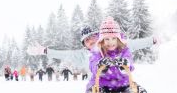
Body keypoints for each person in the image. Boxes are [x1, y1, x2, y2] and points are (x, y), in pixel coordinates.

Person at [75, 17, 166, 93]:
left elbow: (130, 62)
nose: (110, 42)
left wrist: (126, 64)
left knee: (139, 91)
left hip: (124, 86)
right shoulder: (97, 52)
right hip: (102, 88)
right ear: (101, 40)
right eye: (106, 39)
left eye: (113, 39)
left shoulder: (124, 50)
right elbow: (93, 64)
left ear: (118, 39)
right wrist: (100, 65)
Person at [26, 30, 158, 73]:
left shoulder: (110, 45)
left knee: (139, 92)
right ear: (84, 44)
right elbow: (63, 54)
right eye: (87, 39)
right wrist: (44, 50)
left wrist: (153, 40)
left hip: (121, 83)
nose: (91, 40)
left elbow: (132, 44)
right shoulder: (81, 55)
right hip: (96, 86)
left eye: (93, 37)